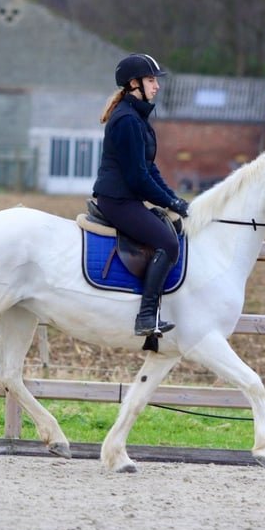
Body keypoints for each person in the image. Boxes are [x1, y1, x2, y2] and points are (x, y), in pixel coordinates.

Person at [92, 53, 189, 337]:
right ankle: (146, 317)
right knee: (168, 244)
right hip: (117, 200)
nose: (156, 86)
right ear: (134, 84)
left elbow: (150, 169)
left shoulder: (137, 117)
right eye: (151, 80)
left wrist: (175, 200)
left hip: (127, 197)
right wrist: (169, 201)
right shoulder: (127, 120)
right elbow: (137, 178)